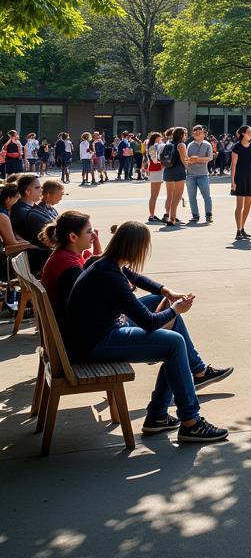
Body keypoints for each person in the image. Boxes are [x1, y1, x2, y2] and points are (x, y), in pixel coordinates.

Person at [62, 221, 231, 442]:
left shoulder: (104, 263)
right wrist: (175, 309)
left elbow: (134, 276)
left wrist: (165, 291)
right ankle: (190, 421)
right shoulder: (111, 277)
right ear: (137, 248)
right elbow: (149, 322)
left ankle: (160, 414)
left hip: (94, 333)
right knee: (174, 344)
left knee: (161, 311)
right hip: (95, 344)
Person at [39, 210, 103, 324]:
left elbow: (98, 264)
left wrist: (96, 241)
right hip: (80, 333)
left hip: (79, 325)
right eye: (89, 232)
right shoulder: (68, 266)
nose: (93, 235)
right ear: (73, 237)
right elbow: (86, 301)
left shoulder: (69, 255)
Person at [10, 173, 53, 274]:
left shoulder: (23, 206)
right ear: (27, 191)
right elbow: (47, 239)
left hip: (39, 255)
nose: (41, 190)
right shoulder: (25, 212)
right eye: (37, 188)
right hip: (41, 259)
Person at [0, 182, 46, 274]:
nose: (20, 200)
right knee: (42, 251)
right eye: (17, 197)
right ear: (8, 199)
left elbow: (16, 237)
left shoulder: (7, 212)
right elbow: (11, 243)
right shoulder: (2, 215)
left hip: (8, 253)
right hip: (4, 260)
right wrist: (30, 245)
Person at [230, 125, 251, 242]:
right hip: (239, 178)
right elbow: (233, 165)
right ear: (243, 133)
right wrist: (232, 181)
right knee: (239, 206)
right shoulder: (236, 147)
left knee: (248, 206)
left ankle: (242, 228)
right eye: (249, 132)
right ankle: (238, 229)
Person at [185, 125, 214, 225]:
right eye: (195, 132)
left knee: (207, 196)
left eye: (200, 132)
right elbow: (187, 159)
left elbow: (210, 158)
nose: (198, 133)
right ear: (192, 134)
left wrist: (197, 159)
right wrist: (190, 160)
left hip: (203, 174)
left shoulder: (207, 145)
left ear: (204, 134)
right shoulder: (189, 145)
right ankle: (195, 215)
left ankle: (208, 214)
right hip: (190, 175)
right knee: (191, 197)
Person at [162, 127, 188, 225]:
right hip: (178, 172)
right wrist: (188, 167)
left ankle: (167, 215)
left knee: (169, 196)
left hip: (168, 171)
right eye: (185, 134)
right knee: (177, 196)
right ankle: (173, 218)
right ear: (181, 135)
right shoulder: (181, 144)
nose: (186, 136)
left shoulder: (169, 143)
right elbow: (183, 159)